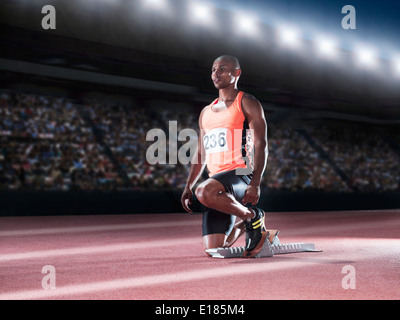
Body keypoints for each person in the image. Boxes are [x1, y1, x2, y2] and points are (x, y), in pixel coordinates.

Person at [181, 55, 278, 258]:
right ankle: (248, 220)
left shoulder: (247, 102)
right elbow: (201, 152)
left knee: (204, 191)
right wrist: (188, 185)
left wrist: (256, 182)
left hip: (241, 173)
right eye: (214, 70)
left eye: (222, 69)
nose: (216, 73)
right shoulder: (206, 112)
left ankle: (252, 216)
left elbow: (261, 144)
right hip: (218, 182)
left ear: (236, 73)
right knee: (215, 249)